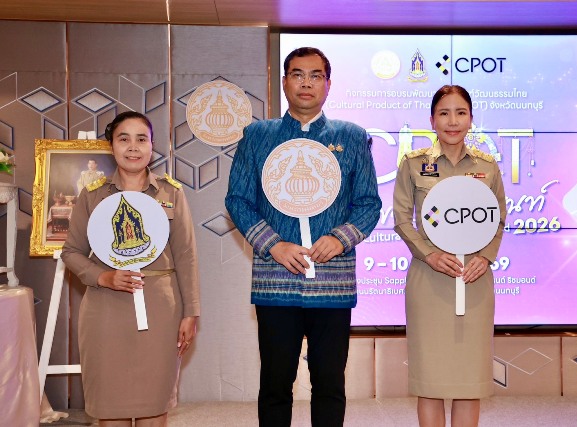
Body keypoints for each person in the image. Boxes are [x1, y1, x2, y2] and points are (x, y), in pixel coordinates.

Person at [225, 47, 381, 427]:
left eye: (315, 76)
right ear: (285, 82)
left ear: (328, 85)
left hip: (333, 283)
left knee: (329, 384)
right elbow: (238, 200)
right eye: (297, 74)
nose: (306, 83)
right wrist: (274, 245)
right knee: (275, 384)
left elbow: (368, 204)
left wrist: (340, 238)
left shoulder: (352, 137)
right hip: (276, 281)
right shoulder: (257, 136)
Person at [61, 111, 200, 427]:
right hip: (105, 312)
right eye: (124, 139)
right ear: (111, 146)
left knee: (155, 406)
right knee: (111, 408)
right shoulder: (93, 195)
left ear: (152, 146)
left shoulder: (171, 193)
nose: (133, 147)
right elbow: (71, 252)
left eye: (142, 139)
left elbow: (187, 256)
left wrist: (191, 312)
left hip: (161, 311)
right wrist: (103, 277)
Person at [393, 85, 506, 427]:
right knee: (429, 382)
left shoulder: (487, 166)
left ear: (471, 119)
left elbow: (499, 218)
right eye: (444, 113)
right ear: (432, 120)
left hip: (474, 278)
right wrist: (429, 255)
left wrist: (485, 257)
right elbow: (402, 219)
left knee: (469, 382)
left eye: (460, 113)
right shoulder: (413, 164)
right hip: (428, 279)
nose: (452, 121)